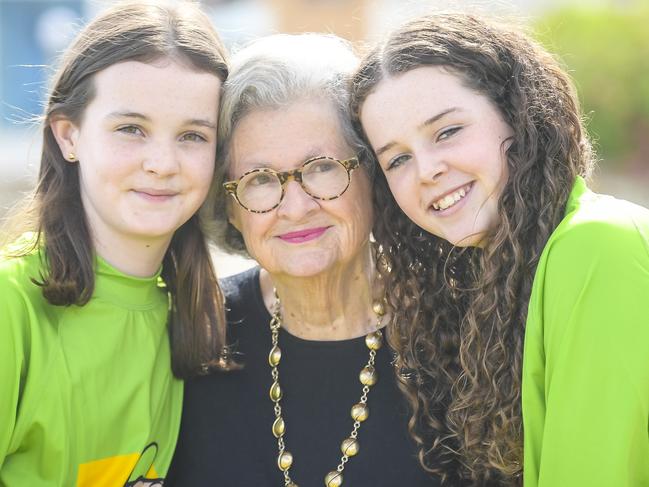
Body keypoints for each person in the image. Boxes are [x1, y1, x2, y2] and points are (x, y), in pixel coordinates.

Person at [350, 12, 649, 487]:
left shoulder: (598, 244)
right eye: (398, 158)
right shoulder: (499, 280)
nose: (426, 170)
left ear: (517, 112)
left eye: (447, 131)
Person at [167, 34, 436, 487]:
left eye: (322, 167)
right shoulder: (192, 332)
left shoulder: (461, 331)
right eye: (259, 179)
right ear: (228, 205)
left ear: (371, 173)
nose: (295, 207)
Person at [0, 1, 230, 485]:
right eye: (131, 129)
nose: (163, 163)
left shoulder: (201, 319)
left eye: (192, 135)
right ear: (69, 137)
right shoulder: (11, 305)